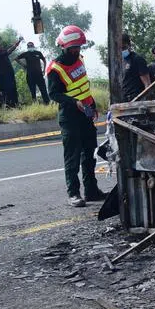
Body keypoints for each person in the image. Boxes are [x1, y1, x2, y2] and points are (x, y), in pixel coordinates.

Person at [47, 25, 103, 208]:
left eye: (78, 47)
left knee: (89, 154)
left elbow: (83, 86)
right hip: (70, 117)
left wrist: (92, 106)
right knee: (72, 157)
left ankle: (92, 191)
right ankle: (73, 194)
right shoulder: (55, 68)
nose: (76, 50)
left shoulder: (79, 60)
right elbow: (54, 94)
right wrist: (74, 102)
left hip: (85, 114)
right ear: (64, 47)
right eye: (73, 48)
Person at [0, 36, 23, 108]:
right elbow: (9, 50)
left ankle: (14, 104)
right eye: (0, 46)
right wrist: (16, 44)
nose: (1, 46)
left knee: (12, 89)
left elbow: (10, 48)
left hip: (9, 74)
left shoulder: (2, 53)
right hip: (4, 76)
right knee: (5, 90)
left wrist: (17, 42)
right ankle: (3, 105)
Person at [120, 33, 152, 101]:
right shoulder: (118, 62)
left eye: (123, 48)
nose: (121, 50)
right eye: (119, 48)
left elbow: (147, 84)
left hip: (135, 99)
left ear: (129, 45)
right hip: (122, 99)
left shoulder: (137, 59)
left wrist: (146, 101)